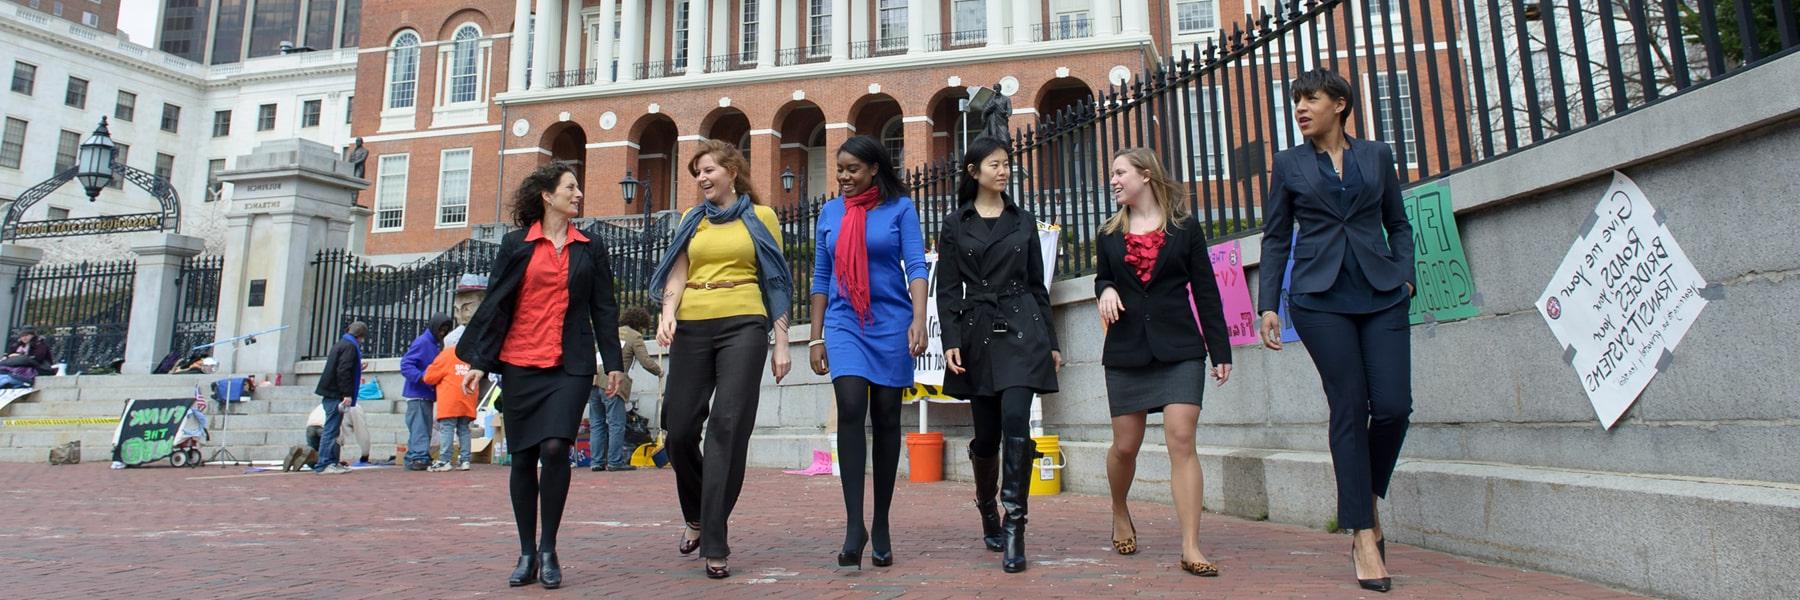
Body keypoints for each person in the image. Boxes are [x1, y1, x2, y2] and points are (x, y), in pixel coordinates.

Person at [1258, 68, 1417, 594]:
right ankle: (1364, 533)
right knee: (1349, 405)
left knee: (1393, 406)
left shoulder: (1377, 156)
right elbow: (1277, 237)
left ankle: (1362, 496)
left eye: (1311, 99)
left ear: (1341, 104)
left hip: (1381, 291)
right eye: (1296, 101)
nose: (1301, 108)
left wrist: (1406, 276)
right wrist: (1269, 305)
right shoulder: (1288, 163)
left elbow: (1398, 223)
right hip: (1319, 298)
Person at [457, 161, 627, 590]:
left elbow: (604, 310)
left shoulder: (591, 247)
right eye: (570, 187)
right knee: (522, 457)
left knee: (555, 449)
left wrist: (615, 365)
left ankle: (548, 547)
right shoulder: (516, 244)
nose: (578, 194)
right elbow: (497, 304)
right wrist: (480, 360)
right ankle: (526, 552)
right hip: (519, 362)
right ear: (547, 196)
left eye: (578, 188)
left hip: (569, 364)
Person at [648, 139, 792, 579]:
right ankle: (696, 513)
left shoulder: (761, 217)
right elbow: (678, 269)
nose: (701, 178)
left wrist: (782, 342)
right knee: (680, 430)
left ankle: (714, 538)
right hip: (692, 323)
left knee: (727, 428)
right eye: (696, 172)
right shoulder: (693, 221)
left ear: (732, 170)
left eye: (708, 169)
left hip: (744, 323)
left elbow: (776, 279)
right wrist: (667, 313)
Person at [1093, 148, 1234, 577]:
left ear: (1146, 174)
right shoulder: (1108, 232)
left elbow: (1206, 291)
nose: (1113, 180)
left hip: (1179, 348)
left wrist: (1220, 349)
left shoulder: (1184, 229)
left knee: (1181, 439)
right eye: (1112, 174)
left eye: (1119, 172)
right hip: (1127, 350)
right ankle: (1119, 509)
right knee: (1126, 446)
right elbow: (1104, 276)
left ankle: (1191, 546)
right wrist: (1105, 290)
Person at [936, 135, 1061, 574]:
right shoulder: (955, 223)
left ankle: (1015, 526)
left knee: (1016, 421)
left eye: (1006, 163)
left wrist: (1053, 341)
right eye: (994, 164)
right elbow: (948, 288)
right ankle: (987, 505)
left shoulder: (1023, 221)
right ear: (974, 171)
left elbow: (1036, 285)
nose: (1003, 170)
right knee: (987, 435)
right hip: (977, 332)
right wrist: (951, 338)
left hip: (1022, 328)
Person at [807, 135, 928, 569]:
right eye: (839, 169)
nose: (844, 177)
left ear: (874, 169)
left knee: (888, 417)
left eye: (852, 170)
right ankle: (854, 524)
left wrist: (918, 318)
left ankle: (881, 523)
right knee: (852, 404)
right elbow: (821, 276)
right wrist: (816, 335)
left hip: (891, 321)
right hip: (843, 323)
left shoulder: (900, 209)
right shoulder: (830, 212)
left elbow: (915, 266)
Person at [590, 306, 661, 472]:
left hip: (593, 381)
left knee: (597, 423)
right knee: (616, 423)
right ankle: (615, 462)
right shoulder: (634, 336)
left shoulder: (611, 331)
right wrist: (659, 371)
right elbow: (645, 361)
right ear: (641, 323)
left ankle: (597, 461)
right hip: (612, 382)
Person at [400, 314, 455, 471]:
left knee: (422, 426)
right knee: (420, 427)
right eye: (441, 329)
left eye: (445, 330)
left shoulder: (433, 344)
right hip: (418, 393)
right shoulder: (423, 342)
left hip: (424, 393)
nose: (443, 333)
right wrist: (423, 378)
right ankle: (418, 456)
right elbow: (406, 364)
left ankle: (416, 455)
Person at [312, 321, 366, 475]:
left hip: (330, 391)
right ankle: (325, 463)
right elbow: (343, 371)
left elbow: (341, 367)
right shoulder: (350, 347)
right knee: (331, 429)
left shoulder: (341, 344)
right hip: (336, 393)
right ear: (360, 336)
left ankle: (330, 461)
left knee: (333, 429)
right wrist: (346, 394)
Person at [425, 326, 478, 472]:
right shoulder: (472, 355)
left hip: (450, 399)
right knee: (464, 429)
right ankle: (465, 460)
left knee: (447, 428)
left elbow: (429, 377)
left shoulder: (447, 354)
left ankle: (445, 460)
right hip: (468, 397)